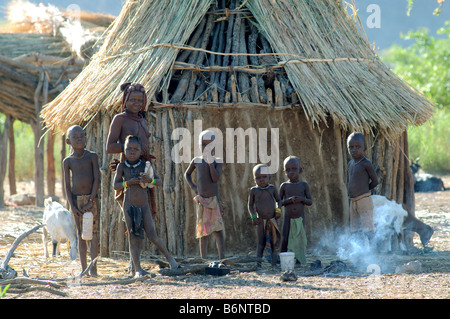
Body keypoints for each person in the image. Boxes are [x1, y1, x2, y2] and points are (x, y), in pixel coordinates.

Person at [113, 135, 178, 277]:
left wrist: (150, 180)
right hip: (129, 205)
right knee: (132, 236)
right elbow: (115, 185)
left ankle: (171, 260)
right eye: (128, 148)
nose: (132, 151)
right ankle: (137, 269)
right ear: (124, 150)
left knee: (152, 234)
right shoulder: (122, 167)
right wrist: (128, 183)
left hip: (144, 205)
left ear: (141, 150)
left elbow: (159, 181)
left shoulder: (145, 165)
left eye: (135, 149)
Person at [63, 125, 100, 276]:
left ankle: (94, 269)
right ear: (68, 141)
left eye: (81, 136)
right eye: (75, 137)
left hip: (92, 200)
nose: (79, 139)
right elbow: (67, 185)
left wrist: (91, 200)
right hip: (77, 200)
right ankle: (84, 269)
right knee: (81, 234)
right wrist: (72, 206)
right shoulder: (68, 161)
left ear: (86, 138)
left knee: (93, 234)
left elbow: (97, 178)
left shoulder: (92, 156)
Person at [184, 130, 225, 260]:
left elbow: (215, 179)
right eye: (203, 144)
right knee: (203, 233)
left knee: (218, 231)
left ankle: (221, 259)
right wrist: (194, 187)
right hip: (202, 201)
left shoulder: (217, 161)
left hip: (213, 201)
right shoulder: (196, 161)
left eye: (209, 145)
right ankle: (204, 260)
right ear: (198, 145)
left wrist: (210, 163)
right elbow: (187, 174)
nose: (206, 148)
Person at [346, 132, 379, 244]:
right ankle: (360, 252)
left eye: (358, 147)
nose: (354, 150)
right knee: (355, 229)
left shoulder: (366, 163)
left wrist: (365, 190)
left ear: (364, 148)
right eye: (351, 147)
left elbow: (375, 181)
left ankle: (373, 250)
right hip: (353, 201)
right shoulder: (351, 163)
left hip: (364, 200)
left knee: (368, 228)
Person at [279, 156, 312, 265]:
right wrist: (288, 201)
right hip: (288, 217)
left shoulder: (303, 185)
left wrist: (302, 199)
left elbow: (310, 201)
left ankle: (299, 260)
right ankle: (282, 259)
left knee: (299, 238)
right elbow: (279, 202)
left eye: (294, 169)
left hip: (300, 217)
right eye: (288, 170)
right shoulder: (284, 186)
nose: (291, 172)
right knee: (285, 237)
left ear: (300, 170)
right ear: (284, 172)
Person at [248, 164, 281, 267]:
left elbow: (279, 200)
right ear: (254, 179)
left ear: (269, 177)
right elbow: (250, 205)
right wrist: (253, 217)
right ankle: (258, 263)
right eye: (258, 178)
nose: (261, 180)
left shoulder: (272, 189)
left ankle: (274, 264)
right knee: (261, 243)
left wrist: (278, 211)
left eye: (264, 177)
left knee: (273, 242)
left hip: (272, 219)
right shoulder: (254, 191)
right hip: (261, 221)